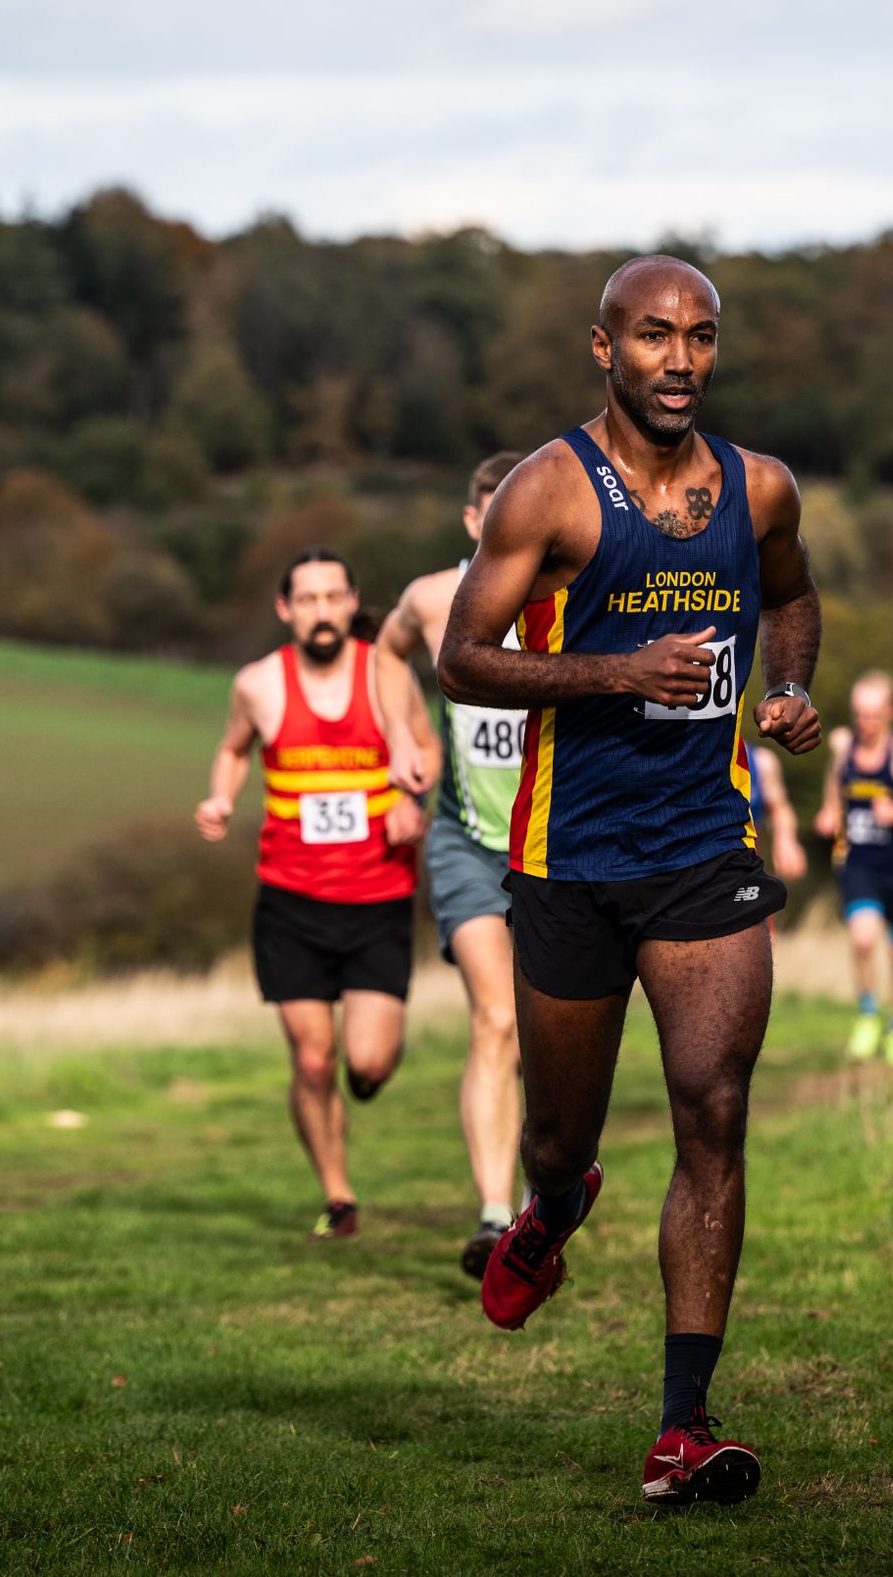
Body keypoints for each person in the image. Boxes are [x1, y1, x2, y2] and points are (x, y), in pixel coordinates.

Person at [438, 255, 823, 1507]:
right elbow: (462, 658)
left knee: (715, 1109)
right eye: (655, 335)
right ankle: (552, 1208)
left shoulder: (759, 488)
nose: (680, 360)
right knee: (562, 1135)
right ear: (604, 348)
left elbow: (794, 596)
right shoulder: (550, 490)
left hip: (703, 846)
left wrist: (788, 686)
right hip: (569, 859)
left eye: (701, 337)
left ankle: (682, 1426)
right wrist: (619, 671)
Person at [196, 548, 429, 1241]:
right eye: (307, 600)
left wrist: (411, 798)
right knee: (311, 1058)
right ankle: (338, 1195)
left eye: (333, 598)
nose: (321, 612)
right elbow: (233, 748)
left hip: (379, 893)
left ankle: (365, 1082)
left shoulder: (386, 674)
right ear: (285, 609)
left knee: (368, 1063)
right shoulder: (258, 683)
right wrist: (220, 797)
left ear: (352, 603)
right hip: (291, 898)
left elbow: (425, 746)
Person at [377, 449, 533, 1279]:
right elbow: (385, 651)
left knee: (547, 1035)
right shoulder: (435, 599)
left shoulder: (574, 598)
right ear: (474, 520)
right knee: (496, 1019)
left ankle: (544, 1195)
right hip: (468, 840)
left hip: (555, 846)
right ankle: (493, 1214)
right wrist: (402, 739)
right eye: (496, 514)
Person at [812, 672, 893, 1065]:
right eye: (859, 714)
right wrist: (829, 813)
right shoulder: (845, 749)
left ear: (891, 712)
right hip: (858, 861)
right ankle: (868, 1014)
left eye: (872, 714)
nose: (864, 722)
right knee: (863, 940)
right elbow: (835, 789)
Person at [746, 743, 810, 886]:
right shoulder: (694, 761)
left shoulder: (760, 761)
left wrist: (786, 839)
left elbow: (778, 807)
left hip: (745, 871)